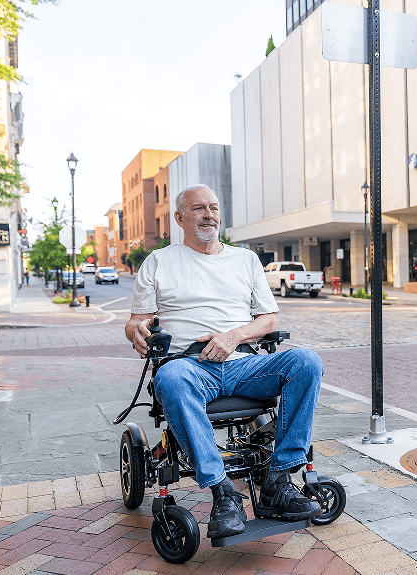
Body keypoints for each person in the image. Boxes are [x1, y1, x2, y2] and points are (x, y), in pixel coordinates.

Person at [125, 184, 323, 539]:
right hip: (190, 366)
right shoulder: (159, 262)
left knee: (306, 362)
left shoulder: (245, 260)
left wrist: (233, 336)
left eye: (213, 208)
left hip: (244, 363)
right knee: (171, 379)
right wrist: (136, 330)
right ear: (180, 218)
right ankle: (224, 494)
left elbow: (268, 320)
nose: (209, 215)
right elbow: (136, 320)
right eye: (199, 208)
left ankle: (278, 481)